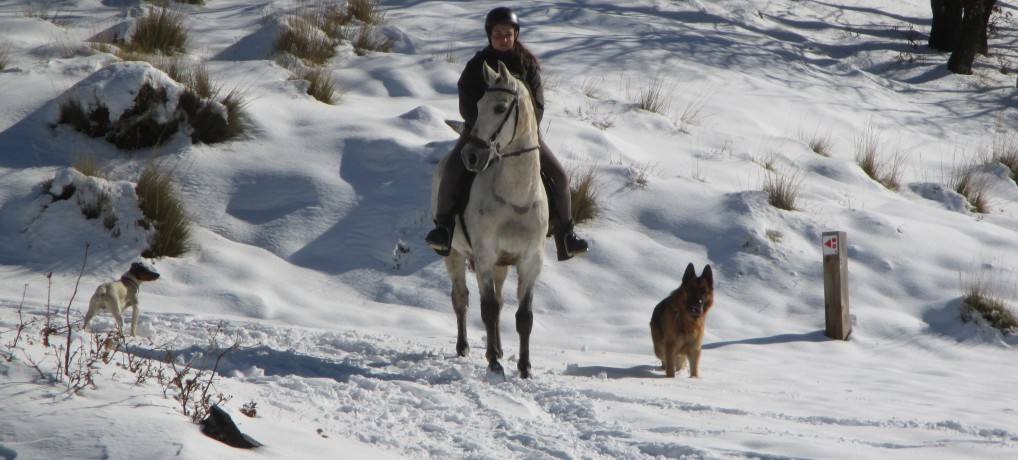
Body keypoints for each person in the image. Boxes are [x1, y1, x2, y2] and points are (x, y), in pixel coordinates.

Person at [426, 6, 590, 261]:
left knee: (559, 175)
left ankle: (566, 235)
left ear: (515, 35)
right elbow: (466, 97)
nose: (503, 38)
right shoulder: (477, 64)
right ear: (489, 36)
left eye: (507, 34)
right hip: (480, 134)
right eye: (498, 34)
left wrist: (524, 129)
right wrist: (479, 125)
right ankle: (444, 229)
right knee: (451, 169)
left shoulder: (528, 66)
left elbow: (538, 104)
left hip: (524, 136)